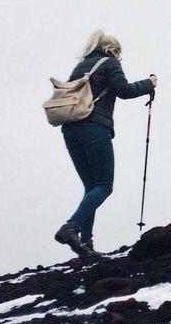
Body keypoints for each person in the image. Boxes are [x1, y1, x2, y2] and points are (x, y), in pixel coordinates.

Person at [54, 31, 157, 259]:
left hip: (70, 129)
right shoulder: (109, 63)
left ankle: (86, 243)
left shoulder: (81, 67)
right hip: (94, 127)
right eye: (118, 52)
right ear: (112, 49)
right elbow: (125, 91)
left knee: (91, 186)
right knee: (103, 186)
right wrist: (149, 84)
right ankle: (72, 227)